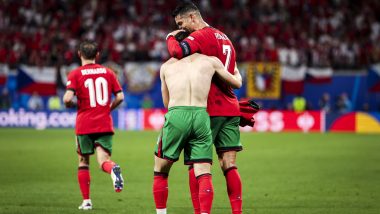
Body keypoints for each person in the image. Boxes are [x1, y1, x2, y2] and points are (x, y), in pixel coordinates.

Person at [166, 2, 244, 213]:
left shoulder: (202, 36)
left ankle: (200, 212)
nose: (182, 29)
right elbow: (235, 74)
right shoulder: (225, 37)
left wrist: (170, 37)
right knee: (229, 164)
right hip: (230, 108)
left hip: (209, 110)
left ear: (193, 17)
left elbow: (177, 51)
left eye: (181, 24)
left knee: (197, 165)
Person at [63, 40, 125, 210]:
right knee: (103, 160)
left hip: (84, 124)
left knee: (83, 161)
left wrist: (69, 104)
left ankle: (87, 201)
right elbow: (120, 97)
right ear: (97, 55)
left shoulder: (75, 74)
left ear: (79, 54)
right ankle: (113, 169)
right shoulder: (109, 73)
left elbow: (67, 98)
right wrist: (108, 109)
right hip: (104, 123)